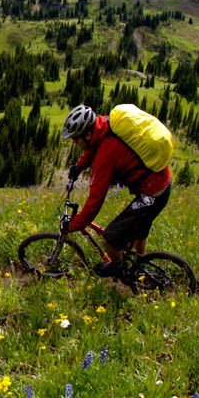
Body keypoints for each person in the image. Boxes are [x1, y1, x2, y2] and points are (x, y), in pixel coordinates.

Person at [61, 105, 172, 277]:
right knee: (138, 227)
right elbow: (92, 148)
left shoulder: (106, 156)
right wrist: (79, 166)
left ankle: (118, 267)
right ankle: (138, 265)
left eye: (76, 139)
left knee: (110, 238)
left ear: (87, 135)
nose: (75, 143)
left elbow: (95, 201)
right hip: (159, 183)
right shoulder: (104, 125)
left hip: (153, 193)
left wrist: (74, 225)